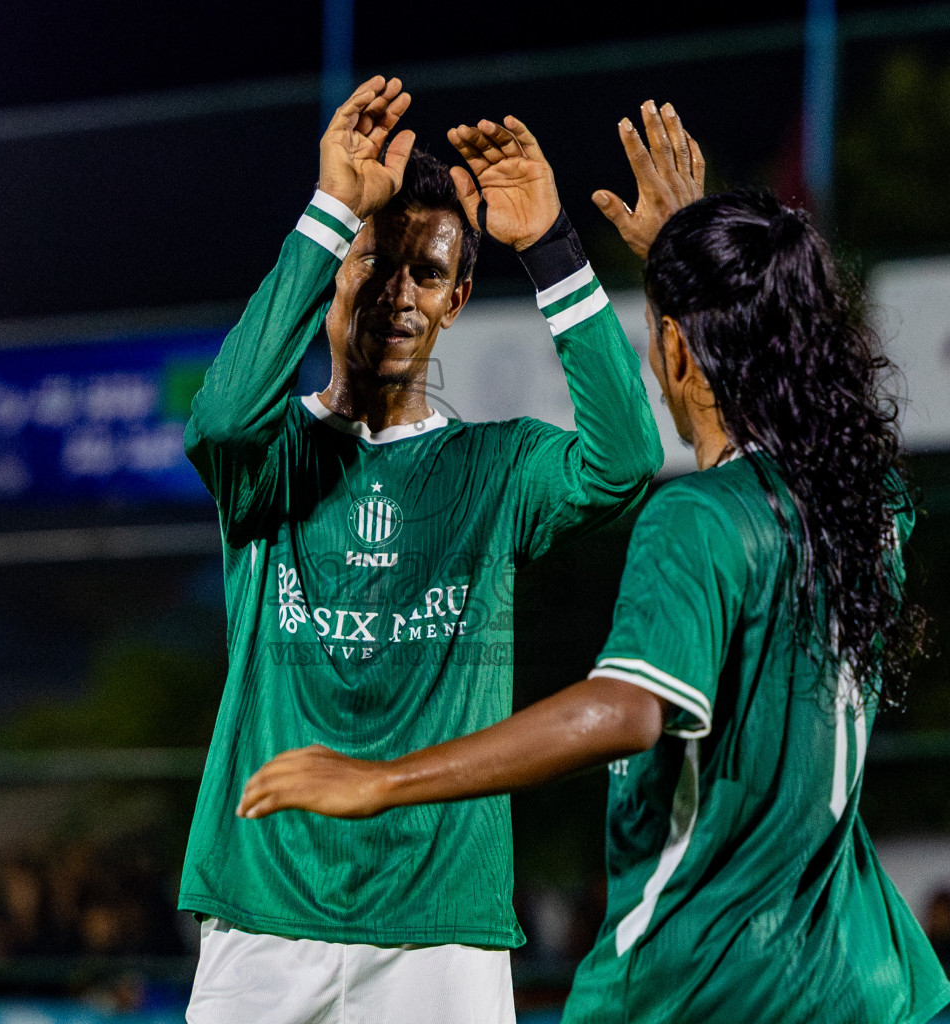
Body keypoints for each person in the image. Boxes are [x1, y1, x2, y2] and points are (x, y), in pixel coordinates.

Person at [239, 109, 950, 1023]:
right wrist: (698, 259)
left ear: (677, 351)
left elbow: (626, 711)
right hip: (862, 979)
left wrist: (384, 778)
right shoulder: (867, 510)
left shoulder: (698, 519)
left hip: (705, 980)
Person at [179, 75, 663, 1023]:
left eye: (428, 273)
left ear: (457, 298)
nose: (399, 294)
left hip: (443, 935)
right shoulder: (274, 458)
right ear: (334, 277)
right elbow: (222, 416)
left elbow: (626, 462)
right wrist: (327, 213)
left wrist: (555, 251)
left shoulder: (496, 468)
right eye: (376, 263)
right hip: (265, 922)